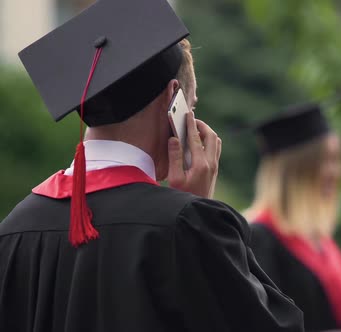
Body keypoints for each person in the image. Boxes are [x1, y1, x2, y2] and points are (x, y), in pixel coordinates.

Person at [0, 0, 303, 331]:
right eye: (192, 104)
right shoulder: (186, 225)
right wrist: (201, 212)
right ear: (174, 97)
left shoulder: (13, 231)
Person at [244, 103, 341, 332]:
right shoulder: (259, 238)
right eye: (328, 161)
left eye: (338, 160)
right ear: (298, 170)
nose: (338, 172)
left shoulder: (316, 237)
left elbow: (329, 312)